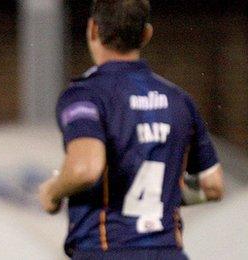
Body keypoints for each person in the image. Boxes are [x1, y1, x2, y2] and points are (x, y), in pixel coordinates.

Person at [37, 0, 224, 259]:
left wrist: (52, 191)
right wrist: (164, 194)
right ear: (146, 35)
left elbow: (84, 168)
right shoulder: (180, 101)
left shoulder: (86, 95)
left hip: (107, 250)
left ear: (92, 29)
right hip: (168, 252)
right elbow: (212, 186)